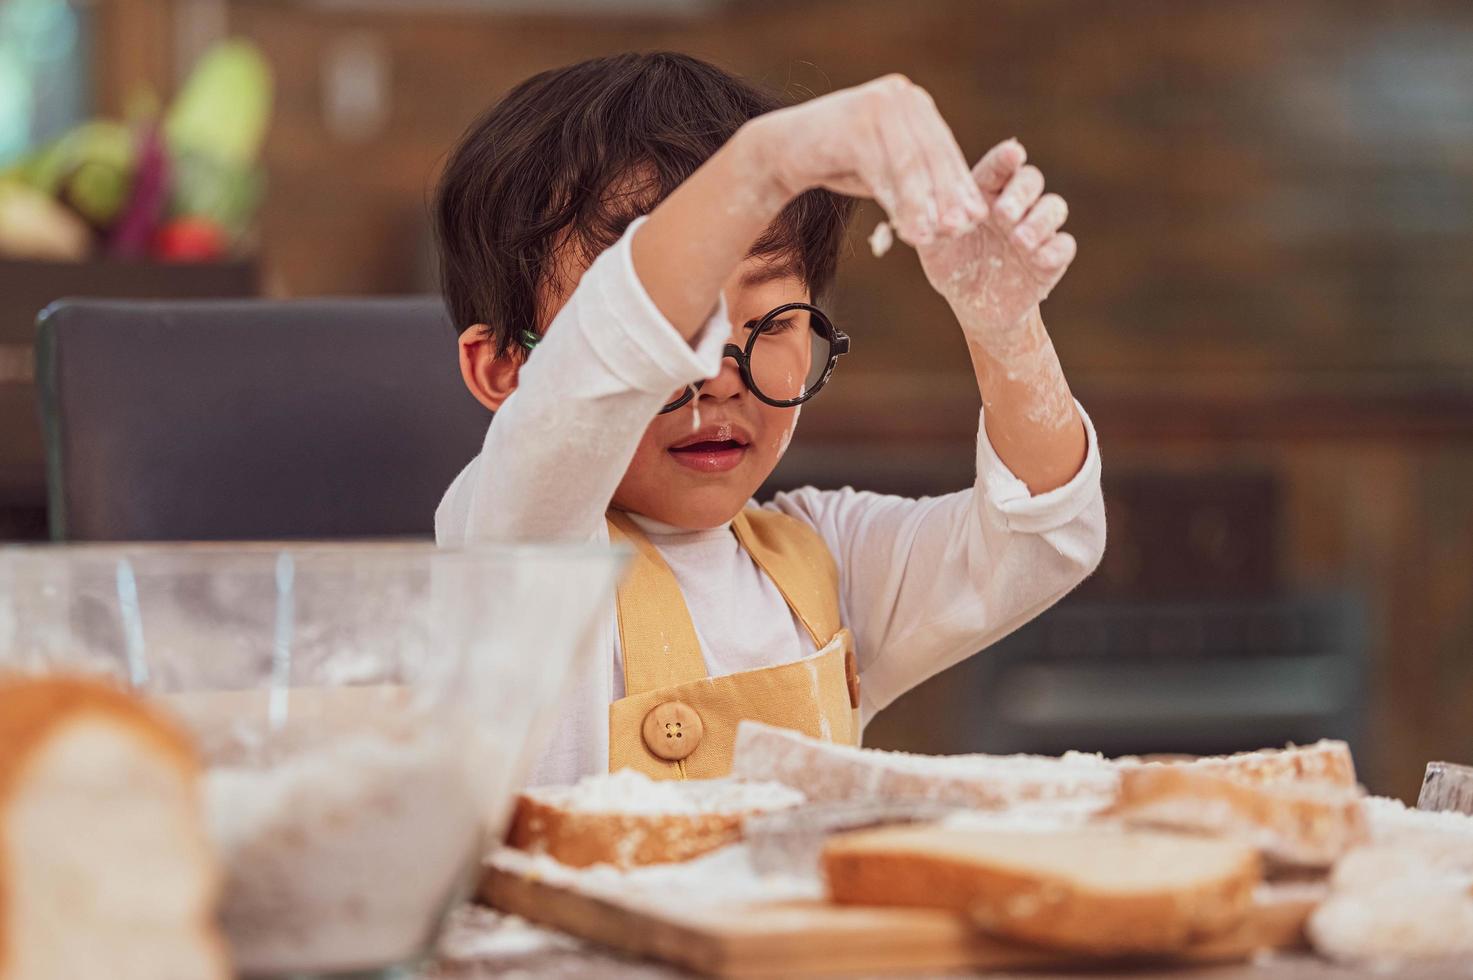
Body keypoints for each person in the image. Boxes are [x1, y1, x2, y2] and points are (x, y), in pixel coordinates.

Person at [434, 52, 1105, 785]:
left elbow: (1041, 538)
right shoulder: (512, 542)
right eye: (683, 331)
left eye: (768, 321)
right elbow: (593, 368)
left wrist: (1004, 329)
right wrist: (765, 164)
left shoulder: (825, 561)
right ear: (507, 370)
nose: (719, 380)